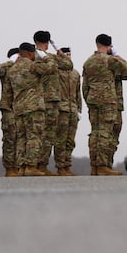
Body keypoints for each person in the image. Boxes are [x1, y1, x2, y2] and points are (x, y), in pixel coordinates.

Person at [6, 42, 57, 177]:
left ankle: (21, 167)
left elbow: (8, 91)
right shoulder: (33, 66)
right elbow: (52, 68)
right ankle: (30, 166)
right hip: (33, 107)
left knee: (21, 137)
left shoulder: (12, 69)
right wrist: (46, 57)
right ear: (30, 53)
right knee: (34, 136)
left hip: (19, 108)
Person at [82, 34, 127, 176]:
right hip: (107, 101)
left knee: (94, 132)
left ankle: (94, 166)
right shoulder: (110, 60)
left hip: (92, 100)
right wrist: (117, 56)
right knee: (105, 132)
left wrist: (88, 100)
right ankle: (102, 165)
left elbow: (85, 86)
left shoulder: (88, 62)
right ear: (109, 46)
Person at [34, 30, 73, 176]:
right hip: (48, 100)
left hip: (43, 99)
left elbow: (68, 65)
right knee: (46, 134)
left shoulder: (32, 56)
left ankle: (39, 165)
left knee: (44, 134)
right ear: (47, 43)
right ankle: (40, 165)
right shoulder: (47, 57)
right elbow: (68, 64)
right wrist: (58, 50)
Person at [54, 47, 82, 176]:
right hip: (61, 110)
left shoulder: (75, 73)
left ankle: (67, 165)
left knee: (70, 140)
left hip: (73, 110)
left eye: (70, 54)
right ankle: (60, 166)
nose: (68, 57)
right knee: (61, 139)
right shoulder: (56, 72)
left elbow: (78, 93)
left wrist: (79, 109)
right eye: (66, 54)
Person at [0, 47, 20, 176]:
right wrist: (12, 61)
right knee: (10, 138)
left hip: (21, 107)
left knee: (20, 139)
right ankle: (9, 167)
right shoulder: (6, 69)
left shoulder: (22, 69)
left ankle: (18, 166)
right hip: (9, 108)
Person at [110, 45, 127, 171]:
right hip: (114, 105)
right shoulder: (115, 64)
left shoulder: (91, 62)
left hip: (101, 105)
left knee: (103, 135)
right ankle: (104, 165)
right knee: (109, 136)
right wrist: (118, 57)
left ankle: (103, 165)